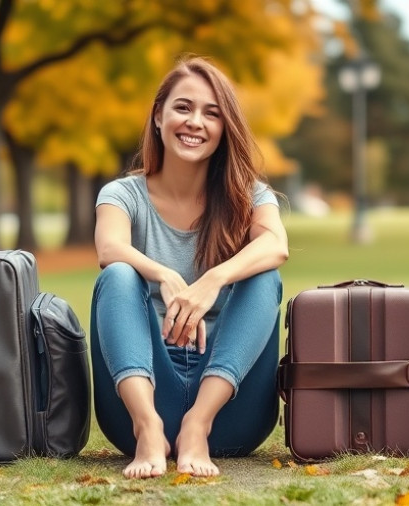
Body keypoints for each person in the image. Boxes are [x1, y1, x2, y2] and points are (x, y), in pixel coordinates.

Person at [90, 55, 289, 479]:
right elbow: (109, 248)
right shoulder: (122, 194)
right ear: (158, 116)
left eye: (211, 113)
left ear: (223, 129)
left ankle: (196, 425)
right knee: (118, 275)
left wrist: (214, 279)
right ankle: (150, 428)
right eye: (183, 107)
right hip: (139, 406)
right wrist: (163, 274)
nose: (195, 122)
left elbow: (276, 245)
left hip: (229, 410)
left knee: (263, 275)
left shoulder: (249, 195)